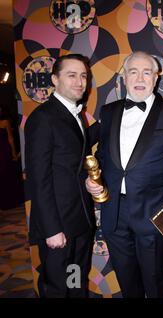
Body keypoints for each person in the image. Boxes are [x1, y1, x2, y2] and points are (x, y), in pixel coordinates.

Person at [85, 51, 163, 298]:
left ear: (156, 78)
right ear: (124, 76)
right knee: (127, 281)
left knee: (156, 282)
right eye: (133, 71)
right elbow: (102, 156)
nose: (140, 77)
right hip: (114, 212)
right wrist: (92, 180)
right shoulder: (109, 111)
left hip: (154, 212)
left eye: (147, 72)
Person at [25, 54, 95, 297]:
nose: (80, 82)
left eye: (84, 76)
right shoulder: (43, 118)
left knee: (75, 283)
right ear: (55, 79)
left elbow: (71, 165)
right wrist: (52, 229)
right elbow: (39, 179)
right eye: (72, 75)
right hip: (58, 227)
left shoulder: (75, 114)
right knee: (57, 288)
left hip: (79, 221)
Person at [0, 104, 24, 210]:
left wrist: (14, 153)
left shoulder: (5, 122)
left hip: (4, 150)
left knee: (6, 174)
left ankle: (10, 201)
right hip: (2, 150)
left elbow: (10, 139)